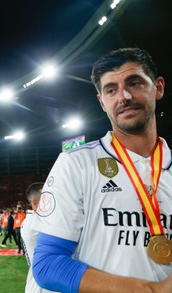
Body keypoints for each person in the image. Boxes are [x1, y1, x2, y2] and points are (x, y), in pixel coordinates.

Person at [33, 47, 172, 292]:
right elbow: (47, 264)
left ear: (158, 87)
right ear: (102, 102)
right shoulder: (76, 164)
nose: (124, 96)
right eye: (111, 90)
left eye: (135, 83)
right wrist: (151, 290)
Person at [20, 182, 57, 293]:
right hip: (42, 287)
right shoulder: (35, 223)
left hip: (40, 283)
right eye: (48, 197)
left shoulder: (32, 220)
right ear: (36, 204)